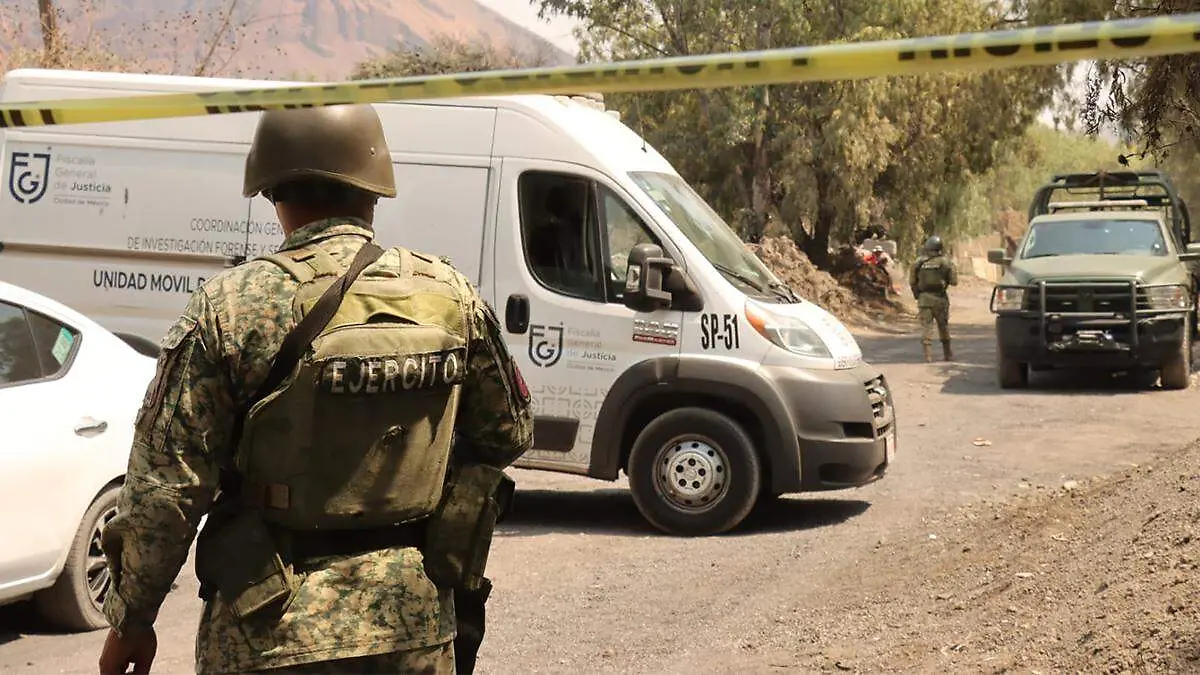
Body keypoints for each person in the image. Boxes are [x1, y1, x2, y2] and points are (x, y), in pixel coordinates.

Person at [97, 103, 534, 675]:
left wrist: (132, 618)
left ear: (272, 190)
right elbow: (508, 432)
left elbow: (167, 488)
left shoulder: (231, 306)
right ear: (375, 190)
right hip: (412, 628)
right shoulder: (448, 294)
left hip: (268, 631)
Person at [909, 234, 958, 362]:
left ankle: (928, 355)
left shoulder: (918, 263)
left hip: (924, 299)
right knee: (943, 326)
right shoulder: (946, 262)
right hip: (940, 299)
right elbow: (954, 281)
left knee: (926, 327)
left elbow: (912, 282)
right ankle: (947, 354)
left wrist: (917, 295)